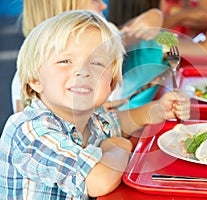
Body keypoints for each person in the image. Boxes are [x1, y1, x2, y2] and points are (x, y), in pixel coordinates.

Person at [0, 10, 190, 199]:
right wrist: (118, 146)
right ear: (35, 80)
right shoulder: (30, 131)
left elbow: (117, 123)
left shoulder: (91, 118)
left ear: (112, 83)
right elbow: (98, 181)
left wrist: (156, 110)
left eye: (97, 63)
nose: (83, 71)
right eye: (65, 61)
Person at [11, 0, 164, 113]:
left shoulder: (100, 44)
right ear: (67, 8)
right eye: (94, 0)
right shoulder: (30, 75)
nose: (103, 5)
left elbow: (127, 33)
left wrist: (155, 15)